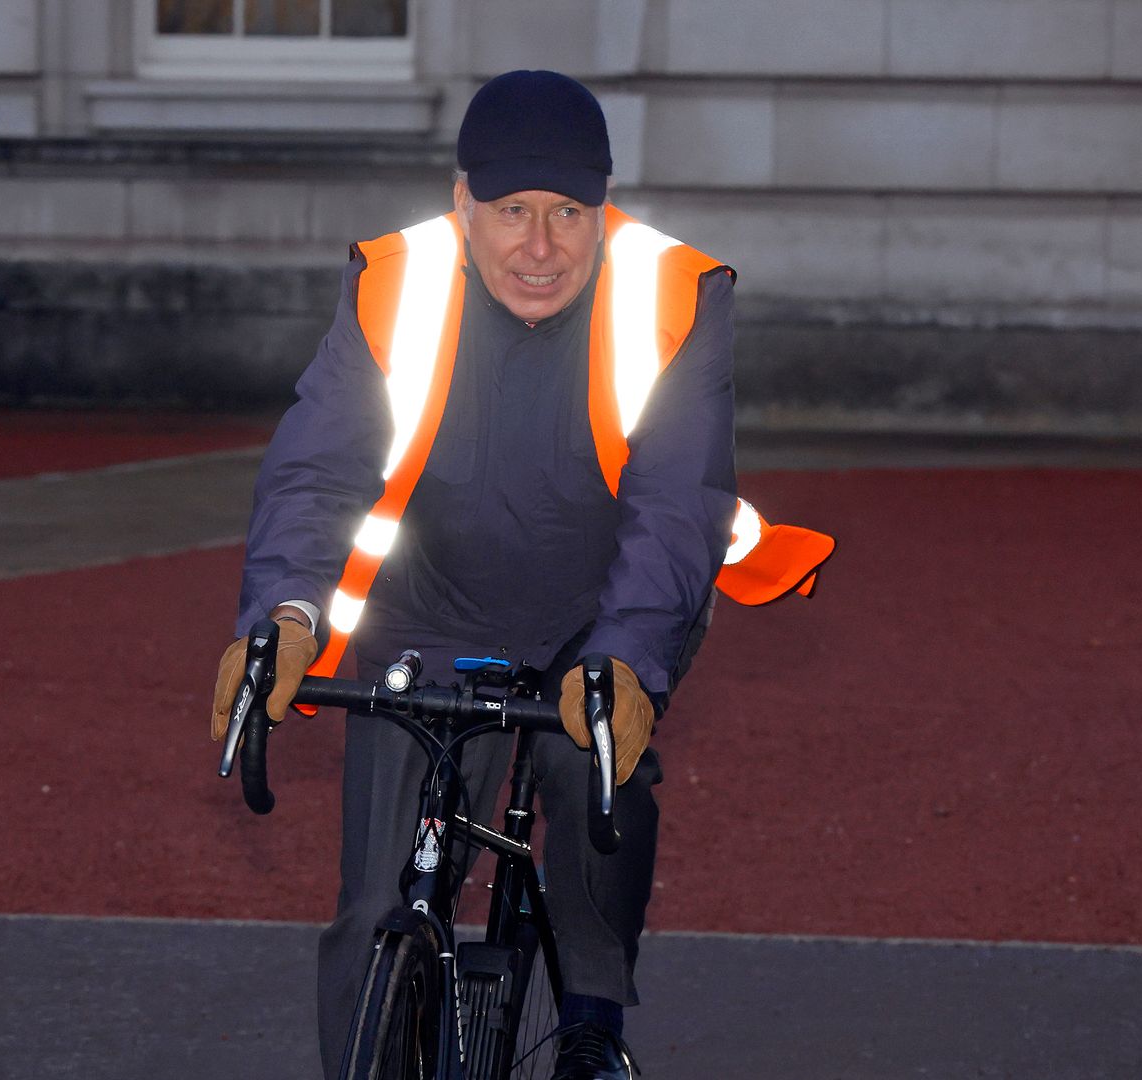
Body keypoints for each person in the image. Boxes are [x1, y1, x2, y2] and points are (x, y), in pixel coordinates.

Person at [209, 70, 832, 1080]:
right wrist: (284, 610)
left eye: (567, 215)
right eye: (510, 212)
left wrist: (628, 661)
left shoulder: (674, 297)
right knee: (373, 905)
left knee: (594, 777)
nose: (539, 247)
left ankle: (591, 1025)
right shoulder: (394, 283)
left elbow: (678, 507)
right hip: (428, 607)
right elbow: (318, 467)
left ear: (603, 211)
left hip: (601, 609)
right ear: (462, 206)